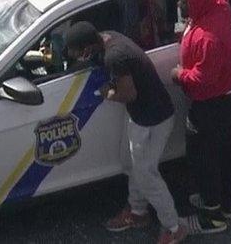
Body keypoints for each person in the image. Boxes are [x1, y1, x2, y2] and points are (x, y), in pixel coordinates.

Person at [146, 0, 231, 234]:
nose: (179, 6)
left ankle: (212, 215)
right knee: (227, 150)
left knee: (203, 157)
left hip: (215, 103)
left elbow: (202, 81)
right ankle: (223, 202)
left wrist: (180, 74)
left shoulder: (208, 39)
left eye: (183, 3)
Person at [63, 21, 184, 244]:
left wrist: (107, 92)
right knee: (130, 163)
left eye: (78, 52)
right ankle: (138, 212)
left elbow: (129, 94)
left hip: (152, 120)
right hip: (143, 116)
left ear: (88, 47)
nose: (77, 56)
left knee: (147, 174)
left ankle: (173, 227)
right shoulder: (109, 34)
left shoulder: (114, 57)